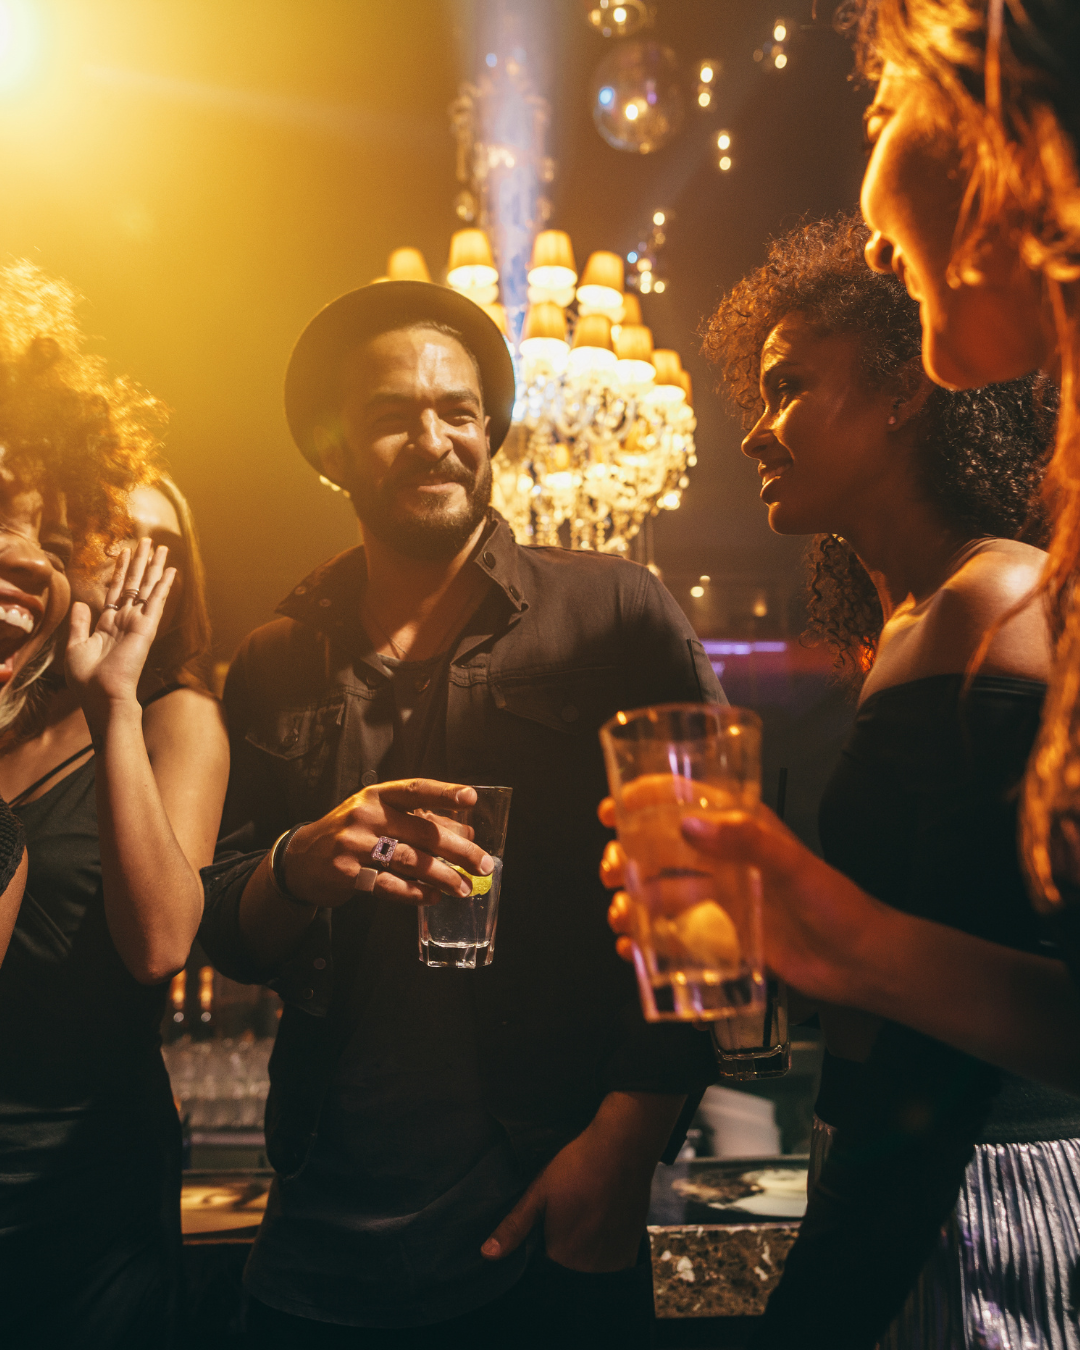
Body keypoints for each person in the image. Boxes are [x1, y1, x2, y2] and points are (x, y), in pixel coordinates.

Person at [197, 279, 722, 1348]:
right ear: (332, 449)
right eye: (393, 415)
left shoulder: (617, 612)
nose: (434, 440)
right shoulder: (272, 662)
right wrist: (299, 862)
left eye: (460, 411)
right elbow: (217, 928)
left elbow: (708, 896)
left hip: (544, 1208)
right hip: (316, 1237)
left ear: (492, 430)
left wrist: (625, 1143)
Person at [608, 213, 1074, 1347]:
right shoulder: (915, 621)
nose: (760, 434)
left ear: (905, 389)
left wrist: (806, 921)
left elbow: (1029, 993)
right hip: (905, 1163)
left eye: (791, 386)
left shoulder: (994, 600)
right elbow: (937, 936)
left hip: (980, 1185)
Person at [621, 0, 1080, 1104]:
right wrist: (820, 939)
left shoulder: (999, 598)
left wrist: (839, 941)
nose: (875, 235)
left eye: (881, 106)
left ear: (1003, 117)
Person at [0, 260, 230, 1349]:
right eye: (116, 540)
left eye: (166, 551)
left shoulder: (177, 720)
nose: (141, 569)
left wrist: (116, 706)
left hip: (85, 1192)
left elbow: (160, 946)